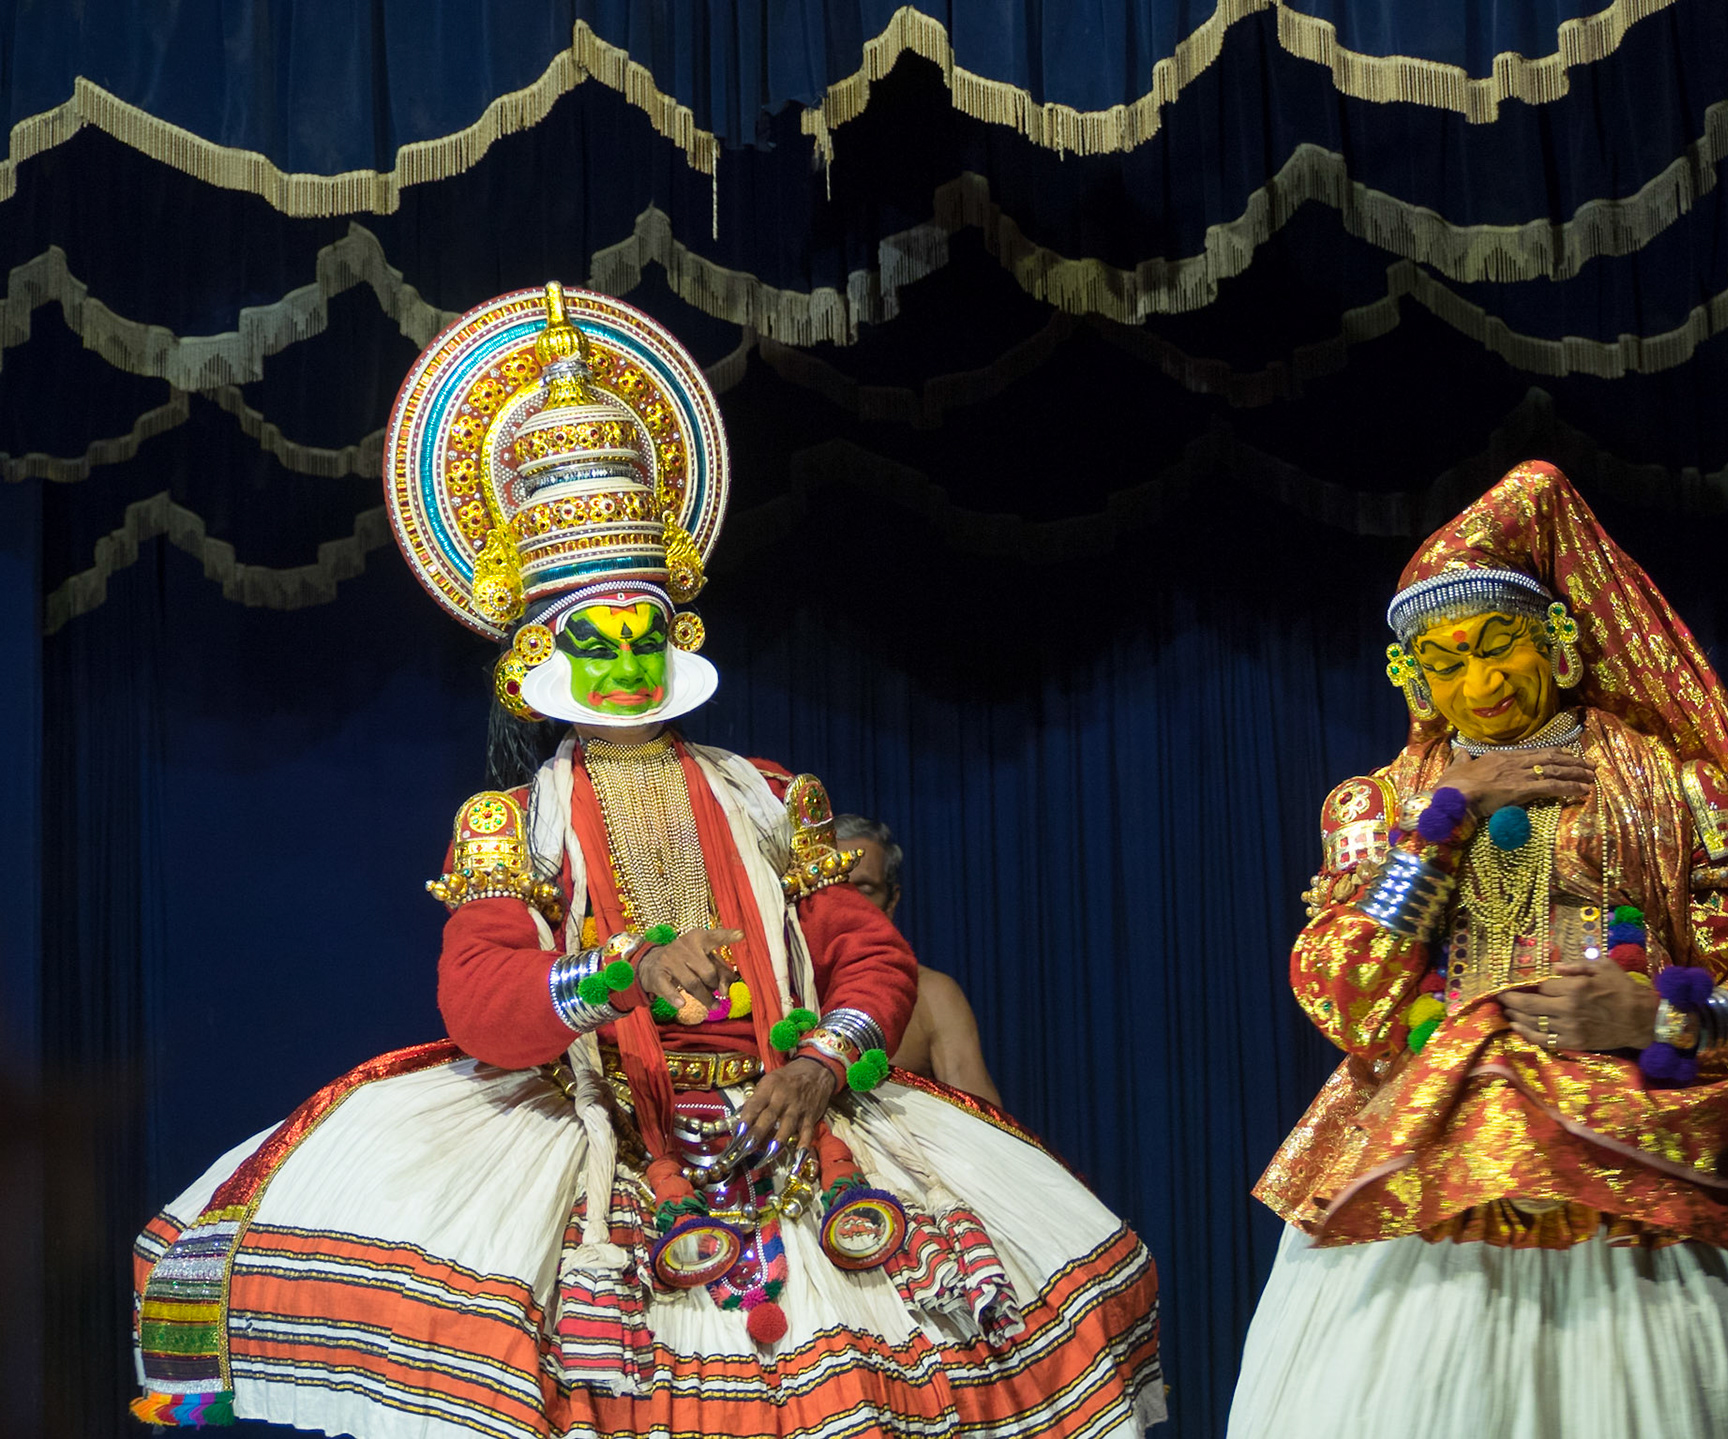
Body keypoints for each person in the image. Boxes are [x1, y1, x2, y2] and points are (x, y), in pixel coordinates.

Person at [130, 284, 1164, 1436]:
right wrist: (618, 969)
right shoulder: (508, 824)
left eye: (641, 627)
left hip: (799, 1129)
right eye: (593, 634)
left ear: (677, 631)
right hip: (614, 1142)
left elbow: (873, 958)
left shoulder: (774, 797)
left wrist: (823, 1062)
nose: (622, 655)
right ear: (538, 648)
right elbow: (479, 1002)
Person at [1227, 461, 1728, 1439]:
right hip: (1425, 1145)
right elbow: (1347, 997)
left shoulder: (1667, 782)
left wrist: (1661, 1015)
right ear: (1412, 675)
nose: (1479, 684)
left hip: (1637, 1144)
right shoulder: (1383, 807)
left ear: (1560, 643)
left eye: (1500, 648)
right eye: (1444, 664)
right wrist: (1447, 823)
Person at [835, 813, 1005, 1108]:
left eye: (864, 891)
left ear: (892, 902)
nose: (848, 906)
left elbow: (983, 1122)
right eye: (834, 887)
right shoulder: (775, 985)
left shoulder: (932, 995)